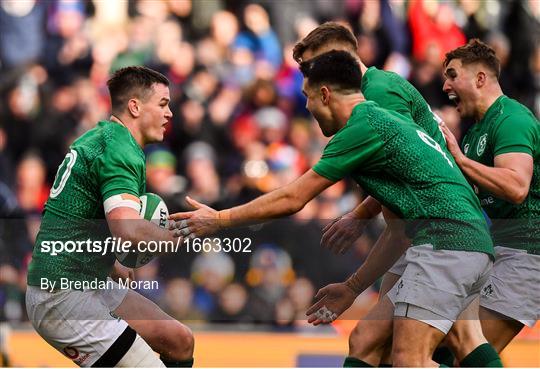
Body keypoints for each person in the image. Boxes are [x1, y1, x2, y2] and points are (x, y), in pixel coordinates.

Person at [170, 50, 495, 367]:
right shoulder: (384, 120)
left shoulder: (362, 126)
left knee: (410, 359)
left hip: (445, 246)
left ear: (324, 94)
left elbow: (293, 198)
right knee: (367, 339)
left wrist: (219, 219)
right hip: (462, 241)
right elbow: (399, 232)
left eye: (308, 96)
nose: (307, 106)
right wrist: (353, 287)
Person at [292, 22, 500, 367]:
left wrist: (359, 215)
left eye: (314, 68)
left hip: (436, 233)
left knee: (410, 354)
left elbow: (412, 166)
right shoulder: (378, 88)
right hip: (439, 228)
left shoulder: (378, 93)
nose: (311, 81)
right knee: (373, 340)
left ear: (338, 59)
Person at [26, 66, 194, 367]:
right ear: (135, 106)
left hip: (85, 278)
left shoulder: (105, 137)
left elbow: (80, 213)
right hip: (62, 295)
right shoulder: (119, 150)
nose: (170, 114)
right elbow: (128, 230)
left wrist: (110, 260)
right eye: (163, 104)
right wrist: (182, 236)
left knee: (179, 341)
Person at [440, 39, 540, 355]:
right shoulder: (473, 134)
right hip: (498, 253)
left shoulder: (512, 118)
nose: (445, 86)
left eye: (453, 75)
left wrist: (461, 160)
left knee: (467, 349)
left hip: (527, 252)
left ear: (480, 78)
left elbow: (516, 187)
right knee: (438, 344)